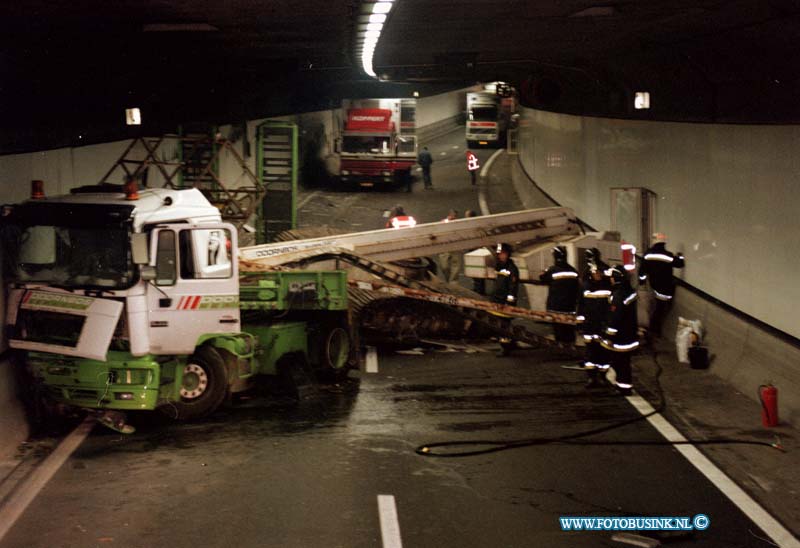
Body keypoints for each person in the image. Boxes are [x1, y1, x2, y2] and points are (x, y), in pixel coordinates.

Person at [601, 265, 639, 396]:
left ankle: (623, 387)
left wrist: (609, 335)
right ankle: (623, 385)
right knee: (625, 362)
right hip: (629, 334)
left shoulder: (617, 295)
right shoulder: (630, 292)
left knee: (620, 362)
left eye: (611, 277)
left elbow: (614, 317)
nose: (609, 279)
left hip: (620, 337)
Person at [638, 233, 685, 337]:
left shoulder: (648, 254)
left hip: (653, 285)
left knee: (656, 308)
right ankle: (654, 330)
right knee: (660, 309)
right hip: (665, 287)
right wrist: (680, 256)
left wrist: (642, 282)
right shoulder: (668, 255)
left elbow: (642, 271)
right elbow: (680, 264)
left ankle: (652, 329)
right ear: (664, 243)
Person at [577, 248, 612, 388]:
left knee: (603, 351)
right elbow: (581, 305)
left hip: (602, 324)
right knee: (590, 352)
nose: (597, 275)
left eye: (598, 273)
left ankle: (602, 375)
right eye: (594, 273)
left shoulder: (607, 287)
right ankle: (591, 377)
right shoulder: (586, 287)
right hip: (590, 325)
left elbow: (612, 307)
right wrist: (580, 323)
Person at [539, 246, 580, 343]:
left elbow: (543, 278)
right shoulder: (573, 271)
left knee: (558, 328)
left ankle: (561, 348)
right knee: (569, 328)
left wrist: (543, 273)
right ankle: (571, 347)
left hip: (556, 306)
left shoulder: (552, 270)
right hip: (570, 306)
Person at [492, 243, 519, 356]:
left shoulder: (511, 269)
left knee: (503, 326)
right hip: (498, 300)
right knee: (500, 324)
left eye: (502, 254)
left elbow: (513, 286)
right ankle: (510, 343)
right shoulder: (500, 266)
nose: (500, 256)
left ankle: (506, 347)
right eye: (499, 254)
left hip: (505, 302)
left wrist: (509, 301)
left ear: (508, 254)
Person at [438, 210, 462, 282]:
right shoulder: (444, 222)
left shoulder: (460, 224)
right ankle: (448, 280)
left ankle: (453, 284)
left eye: (455, 216)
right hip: (445, 247)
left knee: (455, 267)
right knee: (444, 266)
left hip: (455, 247)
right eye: (452, 215)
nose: (453, 217)